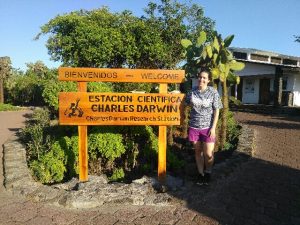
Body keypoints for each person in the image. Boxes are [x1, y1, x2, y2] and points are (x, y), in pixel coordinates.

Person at [185, 68, 223, 185]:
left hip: (208, 128)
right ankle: (201, 174)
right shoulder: (192, 92)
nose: (201, 79)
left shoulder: (213, 92)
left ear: (209, 80)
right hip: (194, 127)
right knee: (198, 152)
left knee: (208, 153)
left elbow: (217, 110)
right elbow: (183, 103)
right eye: (200, 77)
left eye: (204, 78)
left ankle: (208, 172)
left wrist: (213, 128)